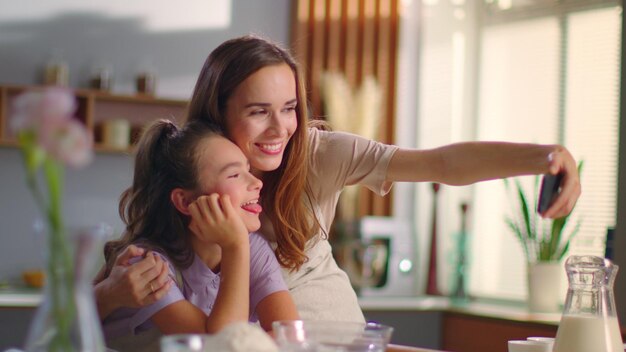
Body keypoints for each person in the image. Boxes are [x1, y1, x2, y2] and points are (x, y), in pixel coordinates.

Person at [94, 34, 581, 323]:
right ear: (217, 113)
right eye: (258, 111)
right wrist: (111, 294)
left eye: (289, 109)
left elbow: (440, 164)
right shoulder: (188, 180)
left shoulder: (320, 153)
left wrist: (546, 156)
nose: (280, 128)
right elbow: (118, 294)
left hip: (341, 335)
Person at [99, 118, 298, 351]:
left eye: (248, 169)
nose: (256, 182)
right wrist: (235, 247)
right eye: (234, 175)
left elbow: (290, 334)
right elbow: (219, 346)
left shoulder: (255, 248)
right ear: (184, 201)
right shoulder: (149, 265)